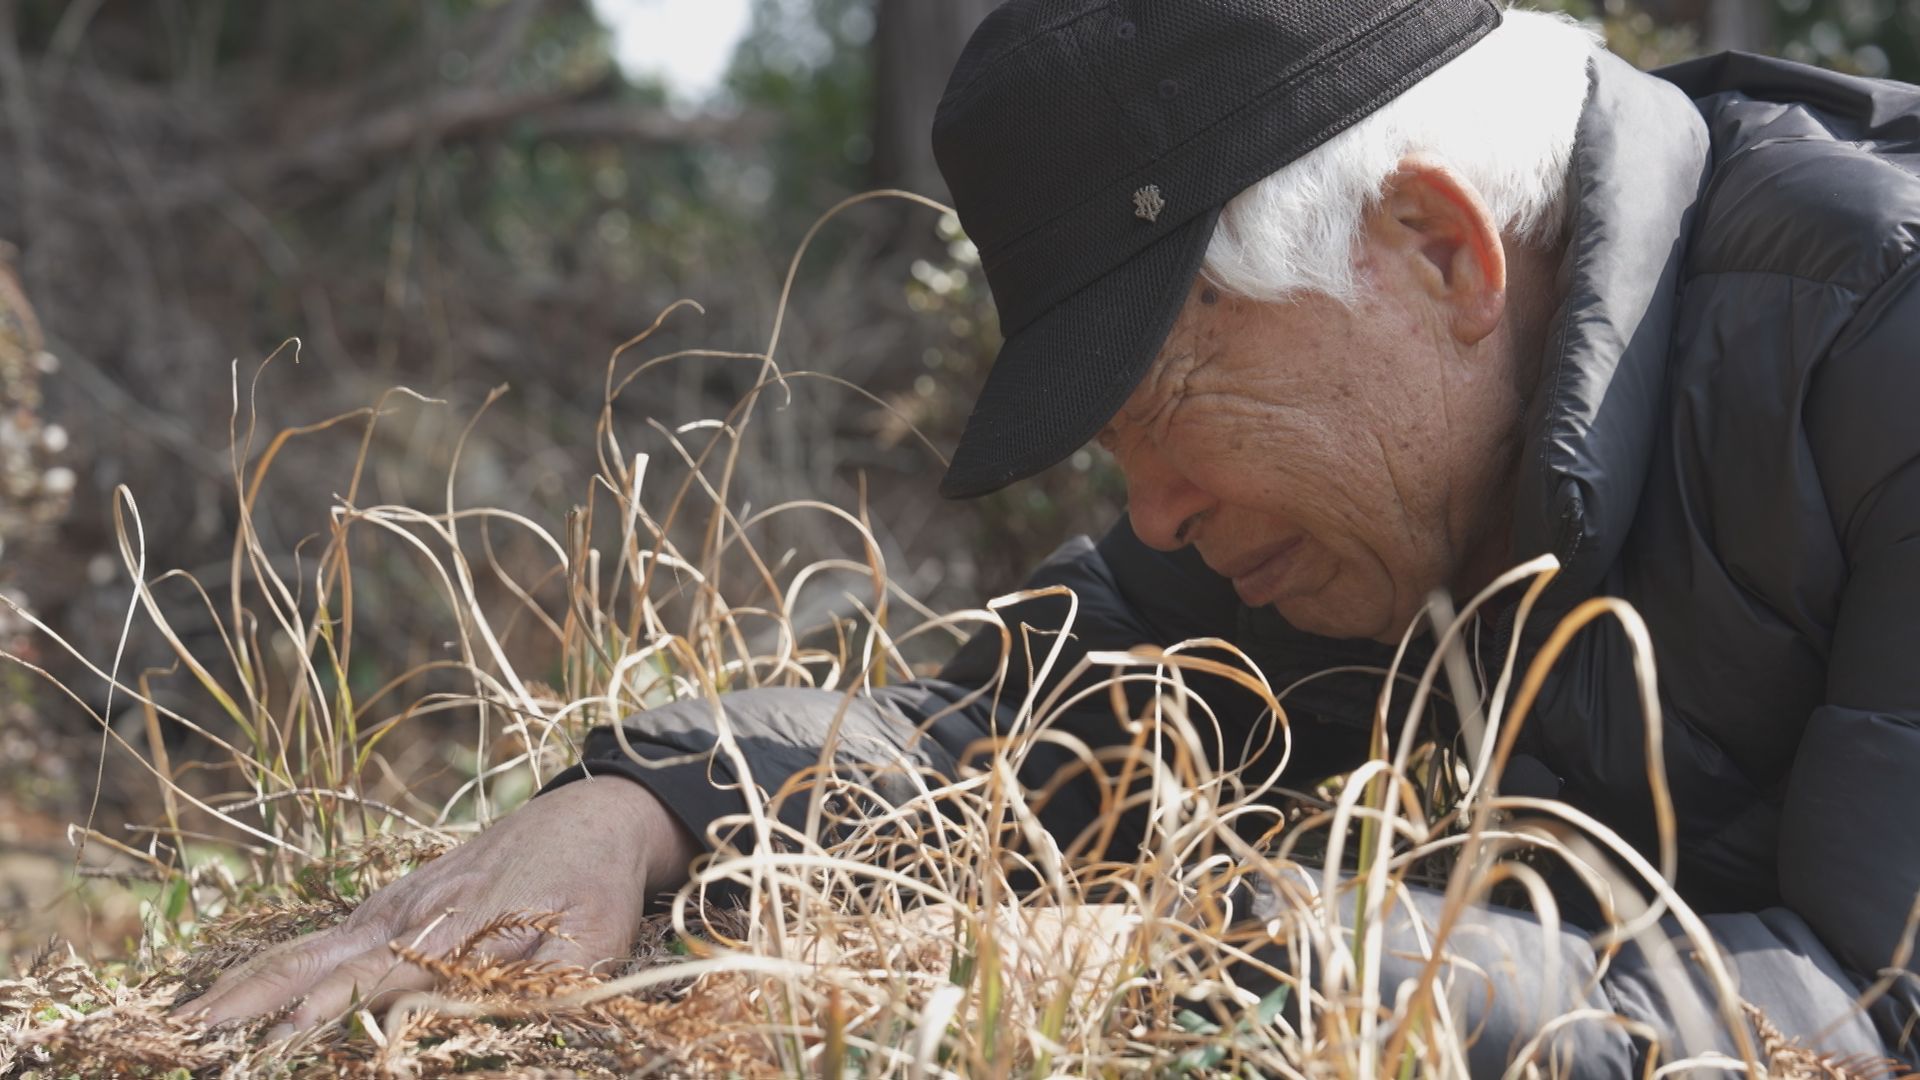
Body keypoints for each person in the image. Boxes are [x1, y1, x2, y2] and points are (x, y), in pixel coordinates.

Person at [180, 0, 1920, 1072]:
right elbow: (978, 741)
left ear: (1440, 253)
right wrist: (632, 804)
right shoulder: (1352, 481)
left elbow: (1873, 1021)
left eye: (1166, 406)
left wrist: (1267, 956)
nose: (1147, 514)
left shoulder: (1885, 346)